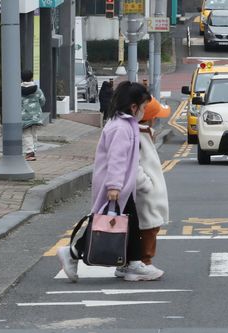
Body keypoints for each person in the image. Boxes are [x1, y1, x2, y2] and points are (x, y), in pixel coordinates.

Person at [57, 81, 162, 282]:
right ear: (133, 107)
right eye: (143, 107)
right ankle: (72, 254)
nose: (144, 111)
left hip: (122, 186)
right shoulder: (121, 128)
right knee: (105, 223)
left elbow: (126, 143)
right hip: (115, 186)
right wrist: (114, 186)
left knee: (121, 223)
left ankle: (131, 263)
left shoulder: (123, 124)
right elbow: (117, 158)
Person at [114, 97, 170, 279]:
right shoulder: (137, 135)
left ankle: (127, 264)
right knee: (149, 228)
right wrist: (146, 185)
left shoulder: (143, 133)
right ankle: (142, 263)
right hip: (144, 193)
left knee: (143, 227)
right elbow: (134, 165)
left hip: (145, 192)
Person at [21, 70, 45, 161]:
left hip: (24, 116)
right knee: (33, 133)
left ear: (21, 78)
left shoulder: (18, 90)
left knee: (26, 134)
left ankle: (30, 153)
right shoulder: (37, 89)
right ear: (31, 78)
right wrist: (37, 108)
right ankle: (33, 151)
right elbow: (42, 100)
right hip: (36, 116)